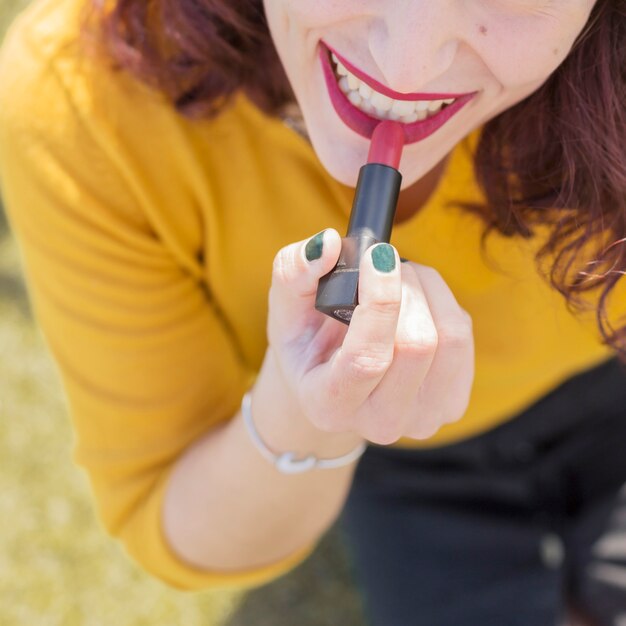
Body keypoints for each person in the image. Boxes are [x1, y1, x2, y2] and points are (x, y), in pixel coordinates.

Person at [0, 0, 625, 623]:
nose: (402, 65)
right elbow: (174, 511)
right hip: (406, 463)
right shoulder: (88, 97)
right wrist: (307, 411)